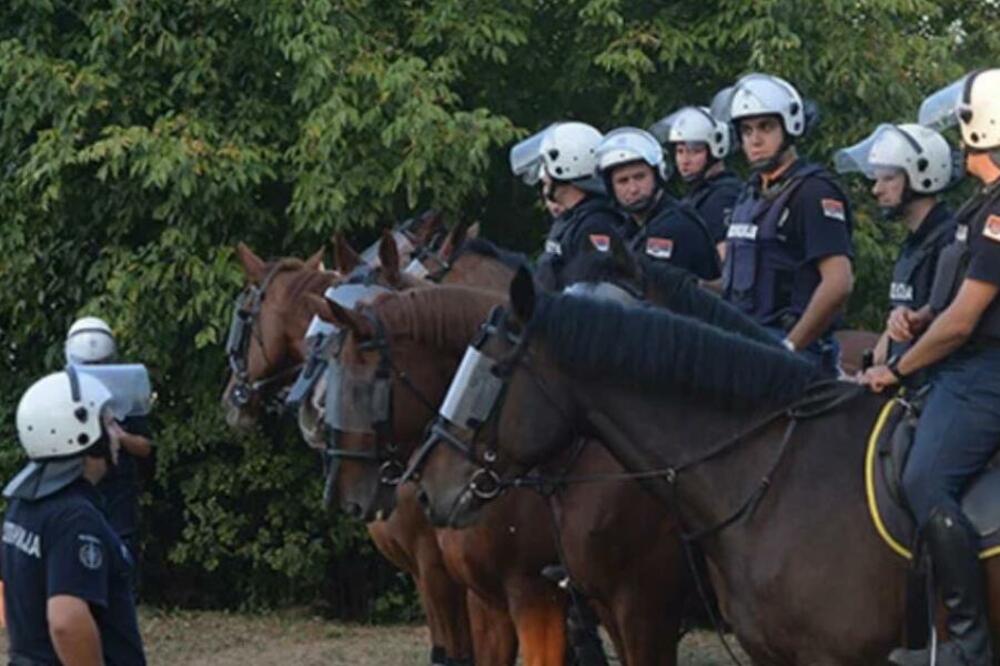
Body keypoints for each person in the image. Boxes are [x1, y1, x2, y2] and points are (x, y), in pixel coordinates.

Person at [861, 68, 1000, 666]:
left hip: (985, 375)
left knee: (924, 479)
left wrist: (899, 366)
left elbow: (968, 320)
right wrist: (918, 317)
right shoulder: (980, 206)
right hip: (959, 367)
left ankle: (968, 643)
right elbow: (954, 304)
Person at [3, 370, 146, 665]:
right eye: (108, 423)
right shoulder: (74, 516)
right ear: (83, 435)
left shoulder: (24, 503)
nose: (117, 434)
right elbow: (66, 621)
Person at [719, 73, 854, 376]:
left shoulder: (813, 191)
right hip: (742, 338)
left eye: (766, 127)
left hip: (789, 348)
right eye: (747, 130)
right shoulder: (749, 193)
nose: (754, 139)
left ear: (789, 125)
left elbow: (838, 282)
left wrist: (790, 348)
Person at [835, 124, 958, 374]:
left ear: (923, 175)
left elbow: (948, 325)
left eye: (888, 178)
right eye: (877, 178)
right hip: (905, 376)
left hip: (934, 382)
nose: (876, 189)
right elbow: (895, 330)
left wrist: (894, 372)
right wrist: (865, 374)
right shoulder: (913, 244)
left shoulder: (950, 241)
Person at [66, 317, 153, 570]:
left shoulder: (126, 397)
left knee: (122, 557)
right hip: (77, 484)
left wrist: (119, 435)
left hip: (118, 489)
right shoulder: (61, 393)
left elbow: (146, 446)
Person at [509, 122, 627, 290]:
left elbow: (582, 294)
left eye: (546, 164)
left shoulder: (596, 225)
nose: (543, 176)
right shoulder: (571, 219)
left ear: (567, 166)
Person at [594, 126, 720, 280]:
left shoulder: (675, 224)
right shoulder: (629, 229)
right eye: (623, 181)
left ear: (657, 176)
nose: (633, 189)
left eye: (640, 177)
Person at [650, 106, 743, 260]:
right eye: (680, 151)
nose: (685, 160)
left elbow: (725, 259)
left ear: (715, 149)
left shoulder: (724, 195)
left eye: (695, 151)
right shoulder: (698, 194)